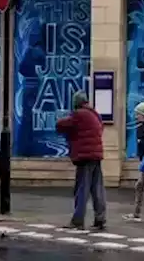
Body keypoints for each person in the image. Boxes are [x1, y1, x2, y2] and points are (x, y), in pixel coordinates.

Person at [55, 91, 107, 230]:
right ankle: (100, 218)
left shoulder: (79, 114)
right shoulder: (94, 114)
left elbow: (61, 125)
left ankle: (77, 220)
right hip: (96, 155)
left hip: (85, 156)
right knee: (97, 189)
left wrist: (60, 117)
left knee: (82, 189)